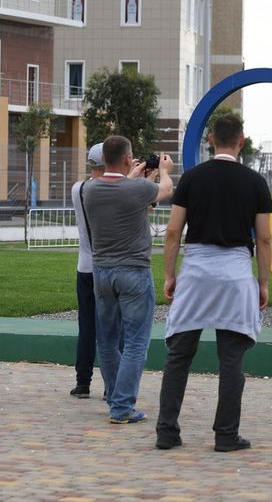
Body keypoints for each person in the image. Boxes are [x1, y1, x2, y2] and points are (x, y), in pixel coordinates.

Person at [156, 113, 272, 452]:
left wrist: (169, 274)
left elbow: (174, 231)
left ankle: (166, 431)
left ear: (210, 140)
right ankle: (225, 435)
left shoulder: (192, 178)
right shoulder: (255, 182)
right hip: (236, 272)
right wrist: (262, 283)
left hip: (196, 269)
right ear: (241, 140)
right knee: (231, 359)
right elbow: (264, 239)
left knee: (179, 354)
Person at [84, 136, 173, 424]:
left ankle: (114, 397)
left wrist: (132, 175)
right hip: (133, 271)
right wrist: (165, 170)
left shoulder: (90, 190)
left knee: (108, 341)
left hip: (102, 273)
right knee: (136, 342)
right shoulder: (138, 188)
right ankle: (122, 407)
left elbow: (119, 191)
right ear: (126, 159)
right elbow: (165, 191)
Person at [68, 143, 106, 399]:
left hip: (84, 266)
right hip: (107, 266)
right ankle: (112, 385)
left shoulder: (77, 189)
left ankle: (83, 382)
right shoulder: (111, 189)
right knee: (113, 329)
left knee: (87, 327)